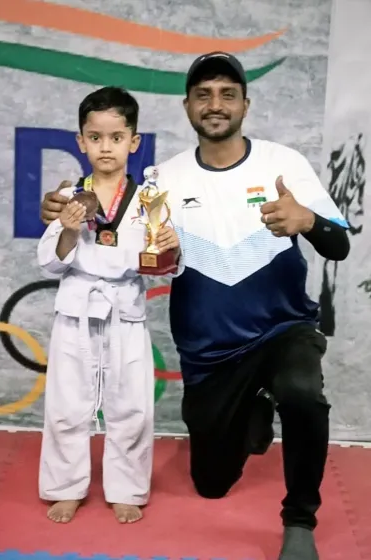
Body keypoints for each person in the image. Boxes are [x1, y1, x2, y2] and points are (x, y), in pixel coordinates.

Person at [40, 54, 350, 559]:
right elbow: (126, 237)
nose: (215, 104)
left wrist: (309, 221)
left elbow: (339, 246)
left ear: (246, 104)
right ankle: (253, 410)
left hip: (283, 329)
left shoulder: (285, 163)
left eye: (228, 93)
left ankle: (299, 521)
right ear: (187, 106)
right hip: (210, 350)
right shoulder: (162, 180)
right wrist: (60, 214)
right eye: (204, 94)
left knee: (303, 394)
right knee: (211, 483)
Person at [37, 86, 180, 525]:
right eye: (95, 137)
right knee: (66, 403)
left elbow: (165, 266)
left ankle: (127, 489)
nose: (105, 147)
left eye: (116, 137)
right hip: (76, 311)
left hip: (125, 311)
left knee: (131, 406)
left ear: (133, 142)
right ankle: (65, 488)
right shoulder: (69, 195)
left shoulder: (150, 199)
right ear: (81, 141)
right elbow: (49, 263)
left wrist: (170, 246)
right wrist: (67, 229)